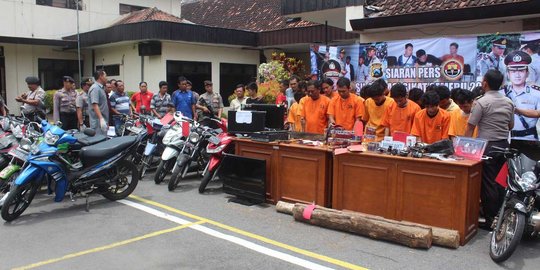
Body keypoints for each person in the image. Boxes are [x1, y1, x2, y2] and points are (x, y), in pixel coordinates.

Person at [465, 69, 514, 230]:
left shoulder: (481, 102)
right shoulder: (508, 102)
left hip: (487, 147)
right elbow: (510, 126)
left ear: (484, 83)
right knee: (501, 183)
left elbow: (471, 127)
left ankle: (491, 219)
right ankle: (501, 216)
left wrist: (464, 148)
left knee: (488, 184)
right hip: (504, 147)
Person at [502, 51, 540, 141]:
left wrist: (517, 110)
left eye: (521, 71)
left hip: (529, 139)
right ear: (508, 74)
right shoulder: (501, 93)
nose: (517, 75)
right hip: (505, 139)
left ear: (527, 73)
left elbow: (538, 113)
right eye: (513, 71)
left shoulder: (536, 93)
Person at [88, 70, 109, 135]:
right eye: (105, 76)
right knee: (99, 141)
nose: (107, 78)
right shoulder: (95, 88)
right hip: (97, 122)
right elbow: (95, 104)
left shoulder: (101, 88)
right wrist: (101, 119)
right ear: (101, 76)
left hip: (103, 120)